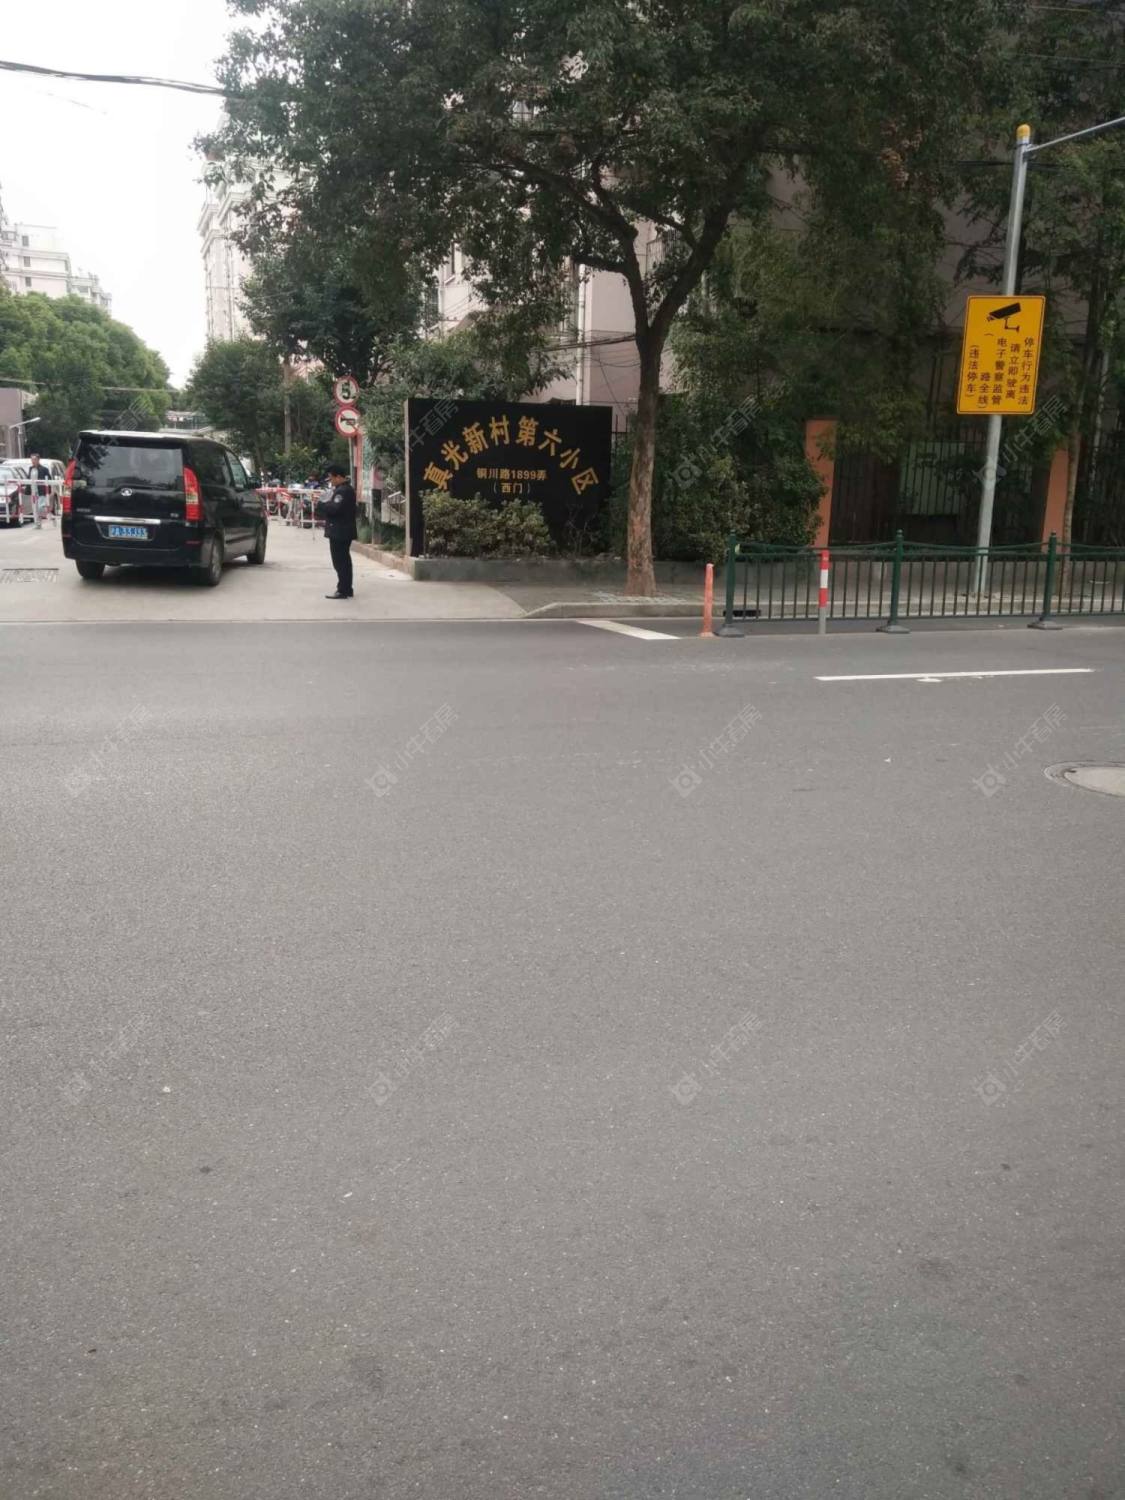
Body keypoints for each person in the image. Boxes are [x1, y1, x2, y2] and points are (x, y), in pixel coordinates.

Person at [320, 463, 357, 599]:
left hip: (340, 531)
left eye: (331, 478)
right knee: (344, 561)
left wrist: (322, 504)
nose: (331, 481)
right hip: (342, 530)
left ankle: (343, 589)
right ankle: (347, 588)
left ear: (339, 477)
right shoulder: (344, 489)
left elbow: (334, 509)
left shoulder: (343, 491)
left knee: (340, 562)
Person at [28, 452, 54, 528]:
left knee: (40, 507)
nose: (33, 461)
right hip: (33, 491)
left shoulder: (44, 469)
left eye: (34, 459)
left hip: (41, 491)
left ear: (38, 460)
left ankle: (51, 516)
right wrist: (27, 489)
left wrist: (49, 491)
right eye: (32, 459)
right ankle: (38, 524)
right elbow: (28, 479)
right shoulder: (30, 469)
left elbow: (49, 480)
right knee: (35, 509)